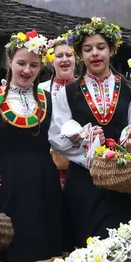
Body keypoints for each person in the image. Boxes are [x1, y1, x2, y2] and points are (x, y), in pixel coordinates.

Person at [49, 17, 131, 248]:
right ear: (80, 54)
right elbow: (56, 134)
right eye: (87, 49)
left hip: (121, 181)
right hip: (83, 183)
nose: (94, 54)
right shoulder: (67, 93)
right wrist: (86, 146)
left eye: (100, 47)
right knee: (84, 244)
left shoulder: (129, 88)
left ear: (112, 50)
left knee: (119, 243)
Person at [0, 30, 62, 262]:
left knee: (44, 244)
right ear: (9, 60)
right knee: (8, 244)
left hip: (44, 186)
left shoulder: (47, 100)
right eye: (21, 63)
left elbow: (61, 140)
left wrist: (90, 143)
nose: (27, 70)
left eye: (34, 65)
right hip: (7, 187)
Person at [39, 35, 77, 189]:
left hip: (77, 160)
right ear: (50, 60)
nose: (64, 60)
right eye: (59, 56)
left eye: (69, 55)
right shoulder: (40, 89)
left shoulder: (84, 87)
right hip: (47, 159)